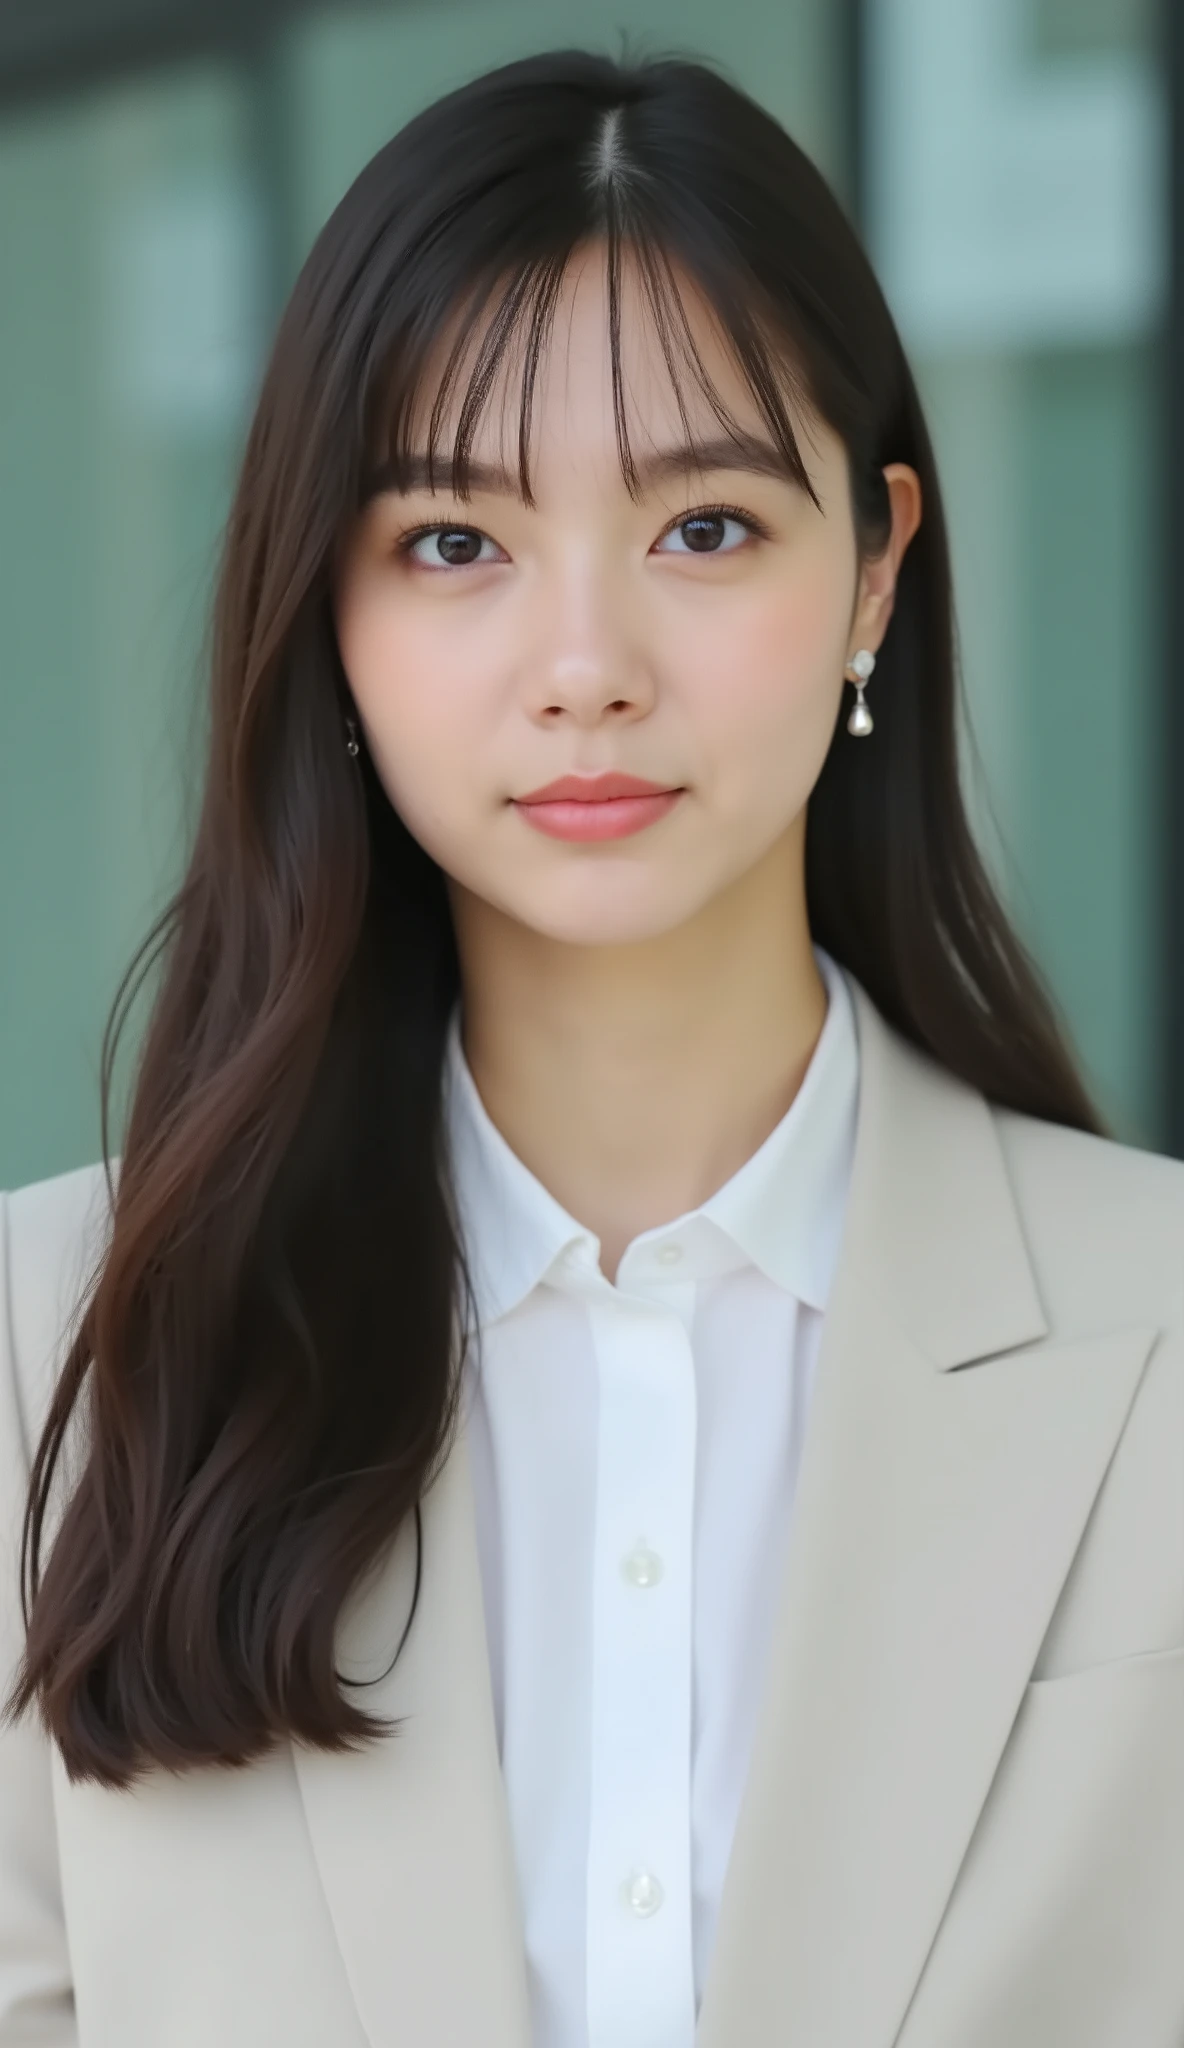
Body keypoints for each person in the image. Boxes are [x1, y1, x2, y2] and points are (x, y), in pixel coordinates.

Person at [1, 47, 1181, 2048]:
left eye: (704, 526)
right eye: (455, 543)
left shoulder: (1156, 1336)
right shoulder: (53, 1348)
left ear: (875, 564)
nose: (585, 670)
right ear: (333, 620)